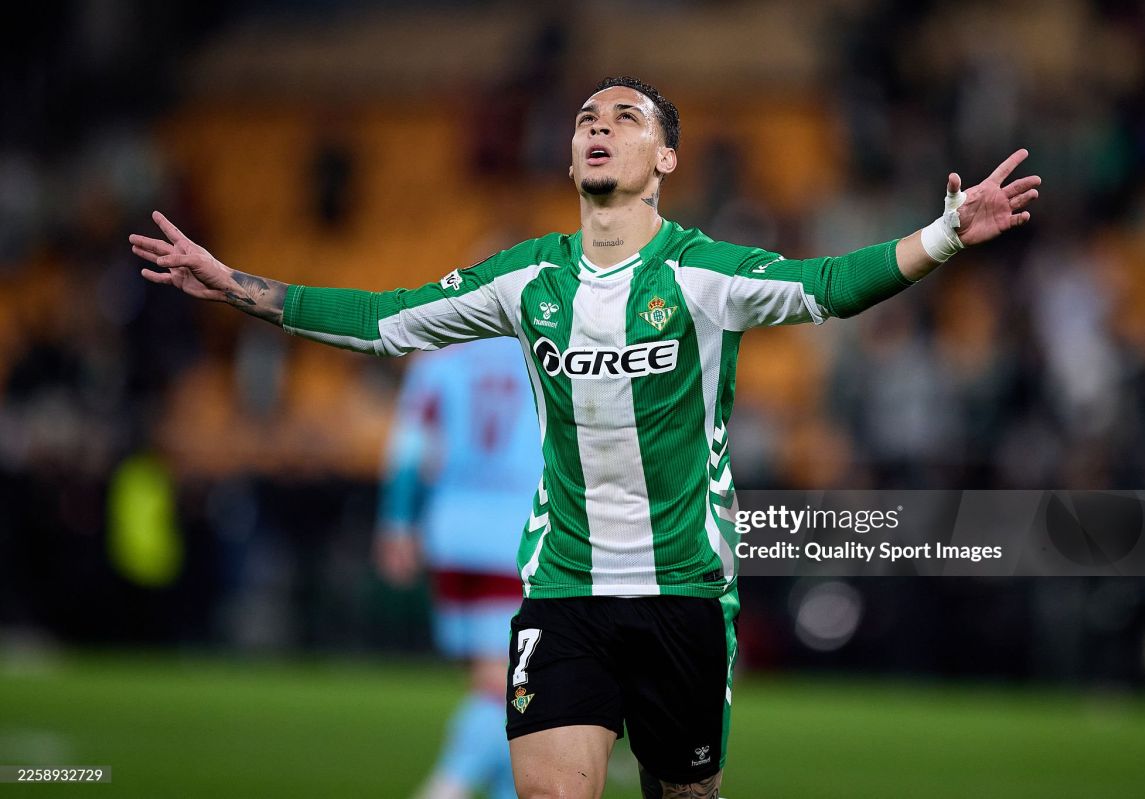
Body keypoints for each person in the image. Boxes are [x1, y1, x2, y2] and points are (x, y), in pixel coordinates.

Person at [130, 75, 1040, 799]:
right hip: (564, 587)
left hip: (684, 589)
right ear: (571, 157)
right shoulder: (528, 279)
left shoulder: (703, 273)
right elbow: (384, 319)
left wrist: (946, 234)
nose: (598, 126)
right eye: (585, 120)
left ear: (666, 156)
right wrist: (234, 284)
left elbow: (832, 284)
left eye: (625, 117)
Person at [375, 336, 542, 799]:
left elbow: (411, 448)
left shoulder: (438, 354)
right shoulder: (544, 346)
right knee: (510, 683)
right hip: (520, 532)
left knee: (501, 682)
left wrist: (396, 522)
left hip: (449, 531)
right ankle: (450, 782)